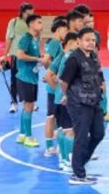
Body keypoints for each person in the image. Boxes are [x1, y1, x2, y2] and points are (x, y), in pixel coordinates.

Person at [60, 27, 106, 185]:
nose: (91, 42)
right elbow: (64, 82)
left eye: (93, 40)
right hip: (79, 104)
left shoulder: (93, 56)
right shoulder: (74, 59)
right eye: (87, 39)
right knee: (81, 137)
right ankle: (78, 174)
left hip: (94, 102)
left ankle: (78, 162)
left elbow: (98, 73)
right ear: (78, 41)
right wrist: (69, 96)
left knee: (99, 133)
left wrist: (101, 84)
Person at [45, 32, 79, 172]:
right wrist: (66, 93)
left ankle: (62, 159)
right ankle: (69, 162)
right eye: (78, 42)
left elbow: (49, 75)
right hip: (67, 99)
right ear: (71, 43)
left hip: (58, 98)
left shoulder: (61, 57)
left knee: (61, 129)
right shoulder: (71, 58)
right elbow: (68, 80)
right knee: (70, 131)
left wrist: (57, 90)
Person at [15, 14, 47, 148]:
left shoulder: (36, 38)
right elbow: (20, 55)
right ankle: (29, 137)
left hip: (32, 77)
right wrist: (37, 59)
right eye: (39, 22)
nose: (42, 25)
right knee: (29, 106)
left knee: (27, 106)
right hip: (25, 77)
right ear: (31, 24)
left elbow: (34, 55)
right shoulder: (26, 38)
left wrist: (41, 57)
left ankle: (22, 134)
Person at [43, 19, 69, 157]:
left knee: (57, 117)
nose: (66, 32)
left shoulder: (56, 43)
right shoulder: (54, 43)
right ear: (59, 29)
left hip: (55, 86)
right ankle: (48, 148)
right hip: (53, 88)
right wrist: (52, 77)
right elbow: (46, 60)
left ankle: (59, 147)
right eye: (65, 30)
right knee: (52, 116)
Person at [3, 2, 34, 113]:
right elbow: (9, 39)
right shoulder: (14, 22)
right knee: (14, 80)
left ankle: (29, 101)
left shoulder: (33, 23)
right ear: (22, 12)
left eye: (32, 12)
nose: (31, 14)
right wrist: (5, 55)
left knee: (29, 80)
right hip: (16, 56)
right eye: (29, 13)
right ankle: (14, 102)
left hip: (29, 57)